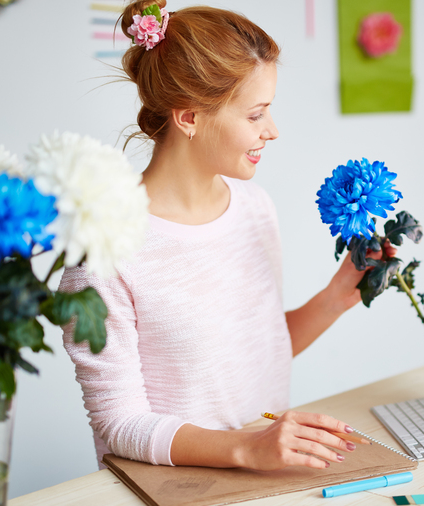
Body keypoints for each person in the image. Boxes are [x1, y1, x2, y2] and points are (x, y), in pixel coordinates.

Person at [60, 0, 390, 472]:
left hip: (263, 476)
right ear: (189, 117)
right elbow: (119, 424)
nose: (272, 131)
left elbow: (252, 353)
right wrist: (247, 449)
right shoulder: (102, 253)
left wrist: (338, 294)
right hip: (170, 498)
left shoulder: (255, 210)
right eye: (255, 115)